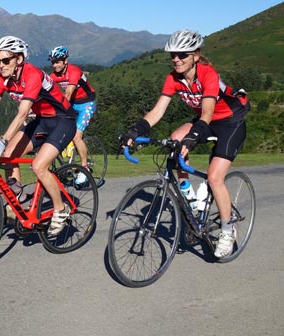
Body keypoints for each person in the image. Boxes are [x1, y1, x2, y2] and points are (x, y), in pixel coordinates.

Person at [119, 29, 250, 258]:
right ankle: (187, 192)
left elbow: (208, 111)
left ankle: (228, 230)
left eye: (182, 54)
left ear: (196, 55)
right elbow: (158, 110)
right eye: (173, 55)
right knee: (174, 141)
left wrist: (195, 135)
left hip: (230, 121)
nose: (176, 59)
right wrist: (135, 130)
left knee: (214, 177)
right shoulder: (173, 78)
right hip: (205, 120)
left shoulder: (208, 74)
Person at [0, 36, 77, 235]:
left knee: (38, 166)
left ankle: (61, 210)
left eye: (5, 60)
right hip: (42, 120)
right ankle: (18, 197)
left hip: (63, 120)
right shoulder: (1, 79)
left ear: (19, 59)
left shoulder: (32, 74)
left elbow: (22, 113)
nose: (0, 65)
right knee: (6, 155)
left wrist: (3, 139)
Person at [48, 46, 97, 185]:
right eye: (53, 62)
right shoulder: (54, 75)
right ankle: (65, 160)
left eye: (58, 62)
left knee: (77, 136)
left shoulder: (74, 71)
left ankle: (84, 168)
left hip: (87, 103)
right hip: (73, 104)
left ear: (65, 61)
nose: (55, 65)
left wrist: (59, 109)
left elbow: (68, 94)